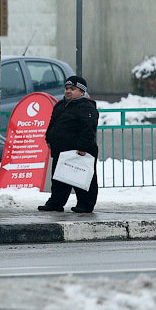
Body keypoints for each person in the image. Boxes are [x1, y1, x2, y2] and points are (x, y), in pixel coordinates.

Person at [39, 75, 100, 213]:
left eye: (72, 89)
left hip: (79, 151)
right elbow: (53, 123)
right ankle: (56, 203)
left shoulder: (86, 107)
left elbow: (89, 127)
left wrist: (83, 146)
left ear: (82, 92)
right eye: (67, 88)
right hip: (61, 151)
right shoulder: (60, 106)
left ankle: (85, 204)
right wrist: (49, 138)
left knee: (84, 179)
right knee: (59, 180)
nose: (68, 91)